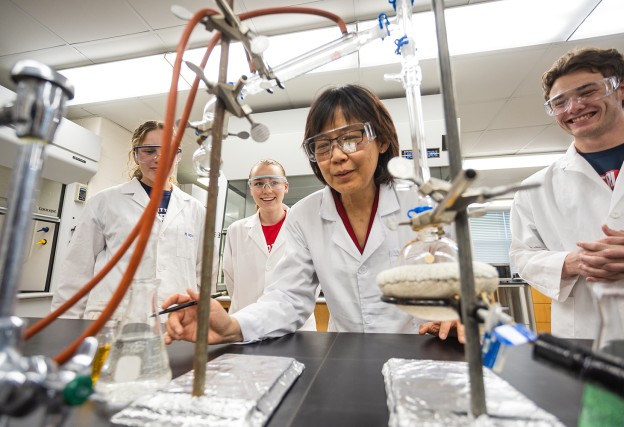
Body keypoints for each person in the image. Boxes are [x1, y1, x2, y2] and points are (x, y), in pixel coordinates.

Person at [163, 84, 461, 345]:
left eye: (351, 138)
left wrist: (460, 310)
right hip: (348, 356)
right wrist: (232, 326)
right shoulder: (306, 215)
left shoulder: (425, 203)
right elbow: (289, 296)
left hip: (420, 348)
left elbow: (460, 281)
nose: (337, 156)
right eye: (323, 146)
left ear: (381, 141)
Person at [510, 47, 624, 339]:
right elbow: (523, 257)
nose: (574, 107)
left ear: (620, 90)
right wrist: (572, 262)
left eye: (587, 92)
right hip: (584, 334)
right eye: (559, 102)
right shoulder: (533, 189)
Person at [51, 120, 207, 319]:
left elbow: (202, 273)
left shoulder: (195, 209)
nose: (158, 159)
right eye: (149, 151)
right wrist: (64, 324)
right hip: (114, 318)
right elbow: (77, 270)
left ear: (178, 156)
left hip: (175, 319)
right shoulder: (104, 202)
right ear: (136, 155)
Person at [223, 159, 317, 330]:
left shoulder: (305, 227)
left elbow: (312, 282)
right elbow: (231, 281)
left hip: (295, 327)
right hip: (246, 324)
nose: (267, 190)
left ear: (286, 187)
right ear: (251, 188)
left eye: (274, 182)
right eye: (259, 183)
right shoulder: (236, 230)